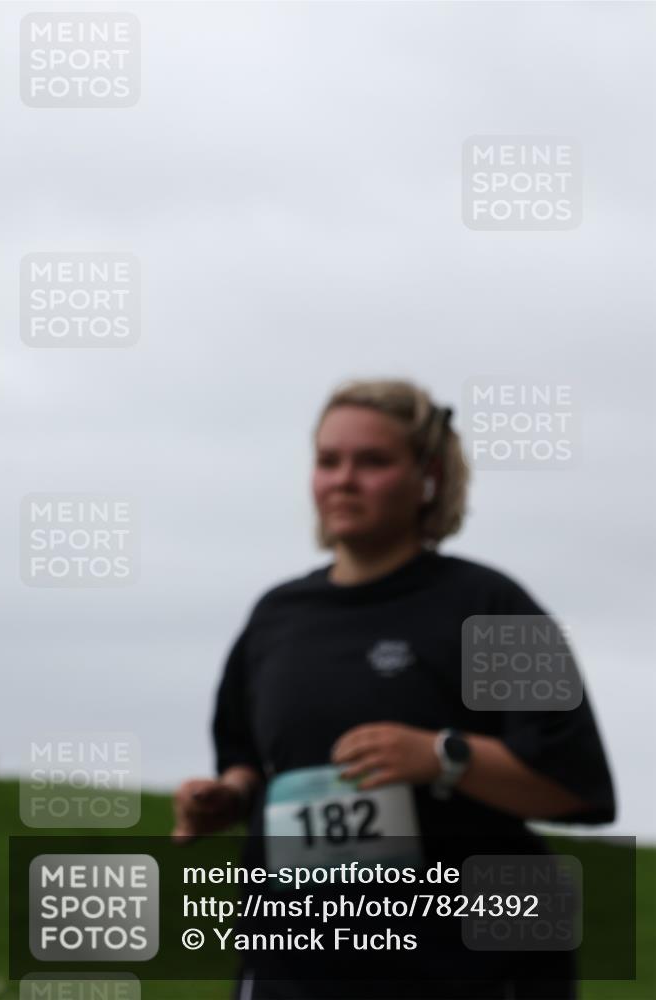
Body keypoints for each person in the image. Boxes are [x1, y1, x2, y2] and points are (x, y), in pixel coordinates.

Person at [173, 378, 616, 1000]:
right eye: (328, 461)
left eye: (372, 461)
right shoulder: (277, 615)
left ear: (428, 476)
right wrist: (227, 794)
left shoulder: (495, 607)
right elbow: (251, 760)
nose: (344, 479)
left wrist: (441, 757)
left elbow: (575, 785)